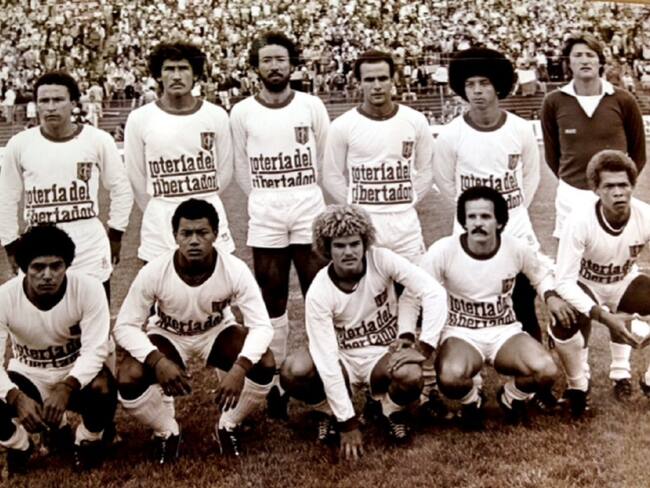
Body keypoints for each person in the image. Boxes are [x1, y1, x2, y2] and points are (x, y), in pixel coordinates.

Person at [280, 204, 447, 460]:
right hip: (343, 358)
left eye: (354, 244)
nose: (348, 252)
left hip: (382, 355)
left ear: (365, 242)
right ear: (327, 248)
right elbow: (326, 358)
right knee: (294, 370)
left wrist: (424, 347)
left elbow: (432, 291)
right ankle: (328, 411)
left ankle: (389, 409)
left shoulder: (382, 259)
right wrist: (347, 422)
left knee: (411, 374)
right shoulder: (319, 291)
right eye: (339, 246)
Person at [113, 199, 275, 461]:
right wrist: (157, 361)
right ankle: (166, 429)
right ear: (175, 236)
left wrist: (240, 368)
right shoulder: (155, 270)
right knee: (129, 376)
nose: (194, 241)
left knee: (264, 362)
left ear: (215, 234)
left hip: (216, 333)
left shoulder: (234, 269)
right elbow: (124, 326)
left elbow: (262, 326)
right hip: (168, 335)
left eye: (202, 233)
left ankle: (229, 424)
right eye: (186, 234)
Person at [230, 32, 330, 417]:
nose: (274, 67)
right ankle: (273, 382)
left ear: (292, 64)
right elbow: (241, 167)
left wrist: (297, 189)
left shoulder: (311, 105)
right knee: (271, 295)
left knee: (317, 293)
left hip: (308, 204)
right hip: (266, 208)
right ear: (256, 68)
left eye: (280, 59)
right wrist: (266, 195)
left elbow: (323, 156)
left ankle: (322, 372)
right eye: (267, 60)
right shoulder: (242, 112)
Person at [417, 187, 567, 430]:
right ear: (463, 221)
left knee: (546, 370)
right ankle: (472, 401)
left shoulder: (516, 248)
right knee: (450, 377)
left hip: (504, 331)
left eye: (485, 216)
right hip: (462, 332)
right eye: (472, 217)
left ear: (499, 222)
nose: (478, 223)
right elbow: (418, 290)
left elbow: (540, 276)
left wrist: (551, 297)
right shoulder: (443, 250)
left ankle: (510, 397)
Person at [433, 47, 546, 359]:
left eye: (484, 83)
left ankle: (528, 373)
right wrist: (473, 217)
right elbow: (445, 184)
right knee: (467, 304)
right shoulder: (451, 135)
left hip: (516, 229)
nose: (477, 91)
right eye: (470, 84)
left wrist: (508, 215)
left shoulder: (520, 129)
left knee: (523, 303)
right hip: (469, 233)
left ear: (498, 85)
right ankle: (471, 375)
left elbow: (530, 178)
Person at [0, 71, 133, 298]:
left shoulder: (98, 139)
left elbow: (121, 188)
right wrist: (10, 244)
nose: (51, 107)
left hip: (87, 240)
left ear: (73, 103)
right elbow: (6, 197)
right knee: (41, 316)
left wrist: (116, 233)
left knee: (93, 312)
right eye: (44, 100)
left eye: (58, 100)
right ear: (37, 104)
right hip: (39, 240)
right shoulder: (20, 144)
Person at [0, 226, 117, 475]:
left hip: (74, 371)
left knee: (103, 387)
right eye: (38, 267)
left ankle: (87, 439)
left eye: (56, 266)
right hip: (29, 374)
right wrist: (15, 396)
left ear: (67, 265)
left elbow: (95, 350)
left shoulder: (89, 288)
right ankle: (19, 444)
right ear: (24, 268)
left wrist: (67, 386)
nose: (47, 275)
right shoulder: (4, 297)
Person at [553, 150, 650, 415]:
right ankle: (578, 386)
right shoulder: (579, 221)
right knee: (564, 317)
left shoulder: (645, 215)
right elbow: (564, 282)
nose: (618, 192)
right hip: (586, 284)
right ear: (595, 189)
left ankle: (642, 379)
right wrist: (604, 317)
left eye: (623, 185)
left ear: (632, 186)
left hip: (623, 281)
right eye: (609, 186)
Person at [124, 42, 235, 264]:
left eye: (183, 68)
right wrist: (159, 205)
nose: (176, 76)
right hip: (160, 214)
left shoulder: (216, 115)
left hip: (207, 209)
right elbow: (136, 175)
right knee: (159, 282)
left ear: (195, 74)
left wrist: (201, 201)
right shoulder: (140, 118)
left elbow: (224, 170)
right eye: (169, 69)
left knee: (216, 280)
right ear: (158, 75)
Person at [322, 49, 434, 263]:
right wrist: (356, 206)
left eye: (383, 78)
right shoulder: (343, 125)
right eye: (369, 79)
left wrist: (407, 199)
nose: (377, 85)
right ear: (358, 83)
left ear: (393, 80)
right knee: (368, 282)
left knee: (415, 281)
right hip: (365, 223)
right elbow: (331, 175)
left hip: (406, 223)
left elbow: (427, 169)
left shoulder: (415, 120)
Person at [540, 33, 646, 240]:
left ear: (600, 61)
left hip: (613, 193)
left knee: (615, 252)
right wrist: (571, 180)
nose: (585, 60)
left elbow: (639, 153)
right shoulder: (553, 102)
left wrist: (618, 184)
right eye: (578, 55)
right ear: (568, 62)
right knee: (571, 255)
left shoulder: (623, 99)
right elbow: (552, 154)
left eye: (590, 55)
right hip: (571, 194)